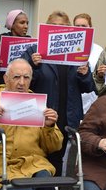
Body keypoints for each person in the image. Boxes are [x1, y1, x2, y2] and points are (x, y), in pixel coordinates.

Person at [0, 58, 63, 190]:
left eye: (26, 77)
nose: (21, 82)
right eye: (16, 77)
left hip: (34, 164)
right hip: (2, 167)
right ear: (6, 78)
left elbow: (54, 147)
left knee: (47, 185)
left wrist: (49, 127)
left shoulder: (37, 104)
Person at [22, 10, 96, 176]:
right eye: (54, 26)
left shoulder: (77, 53)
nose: (59, 30)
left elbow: (89, 87)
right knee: (39, 160)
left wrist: (84, 74)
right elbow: (23, 84)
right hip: (42, 117)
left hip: (68, 118)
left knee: (61, 162)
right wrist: (33, 65)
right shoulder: (35, 51)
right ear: (47, 29)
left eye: (63, 27)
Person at [0, 9, 29, 87]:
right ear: (12, 25)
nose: (26, 26)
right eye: (22, 23)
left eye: (27, 23)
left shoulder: (31, 44)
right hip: (2, 90)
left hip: (24, 91)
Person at [73, 13, 103, 114]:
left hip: (93, 102)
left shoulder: (99, 51)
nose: (81, 29)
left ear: (91, 28)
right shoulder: (68, 51)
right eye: (77, 26)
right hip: (74, 100)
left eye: (84, 26)